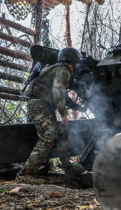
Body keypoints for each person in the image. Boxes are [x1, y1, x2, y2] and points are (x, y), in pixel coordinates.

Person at [16, 47, 84, 183]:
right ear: (74, 61)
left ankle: (68, 168)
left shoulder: (55, 68)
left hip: (43, 106)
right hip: (39, 105)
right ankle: (24, 175)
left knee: (61, 135)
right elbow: (58, 92)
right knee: (48, 137)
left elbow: (61, 93)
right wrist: (64, 114)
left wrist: (74, 106)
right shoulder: (63, 70)